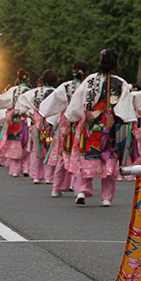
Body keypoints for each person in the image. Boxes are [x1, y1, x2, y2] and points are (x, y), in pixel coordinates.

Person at [65, 49, 136, 206]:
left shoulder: (90, 80)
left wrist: (74, 118)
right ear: (116, 63)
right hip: (110, 123)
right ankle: (106, 197)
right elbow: (124, 109)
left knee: (86, 156)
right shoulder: (121, 83)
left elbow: (77, 102)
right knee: (109, 158)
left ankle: (82, 190)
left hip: (89, 123)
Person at [40, 60, 89, 198]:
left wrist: (49, 122)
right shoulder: (89, 87)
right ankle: (77, 187)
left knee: (63, 155)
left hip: (65, 123)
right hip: (82, 123)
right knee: (80, 154)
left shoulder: (65, 87)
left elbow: (53, 106)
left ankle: (56, 187)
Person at [18, 69, 59, 184]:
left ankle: (36, 175)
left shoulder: (35, 92)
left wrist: (29, 115)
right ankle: (49, 176)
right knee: (49, 148)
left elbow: (22, 100)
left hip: (37, 124)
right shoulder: (56, 92)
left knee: (37, 149)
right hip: (50, 124)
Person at [0, 69, 33, 177]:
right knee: (26, 142)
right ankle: (25, 168)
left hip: (14, 120)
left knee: (15, 143)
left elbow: (2, 100)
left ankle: (14, 170)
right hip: (26, 119)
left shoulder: (13, 90)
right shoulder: (30, 91)